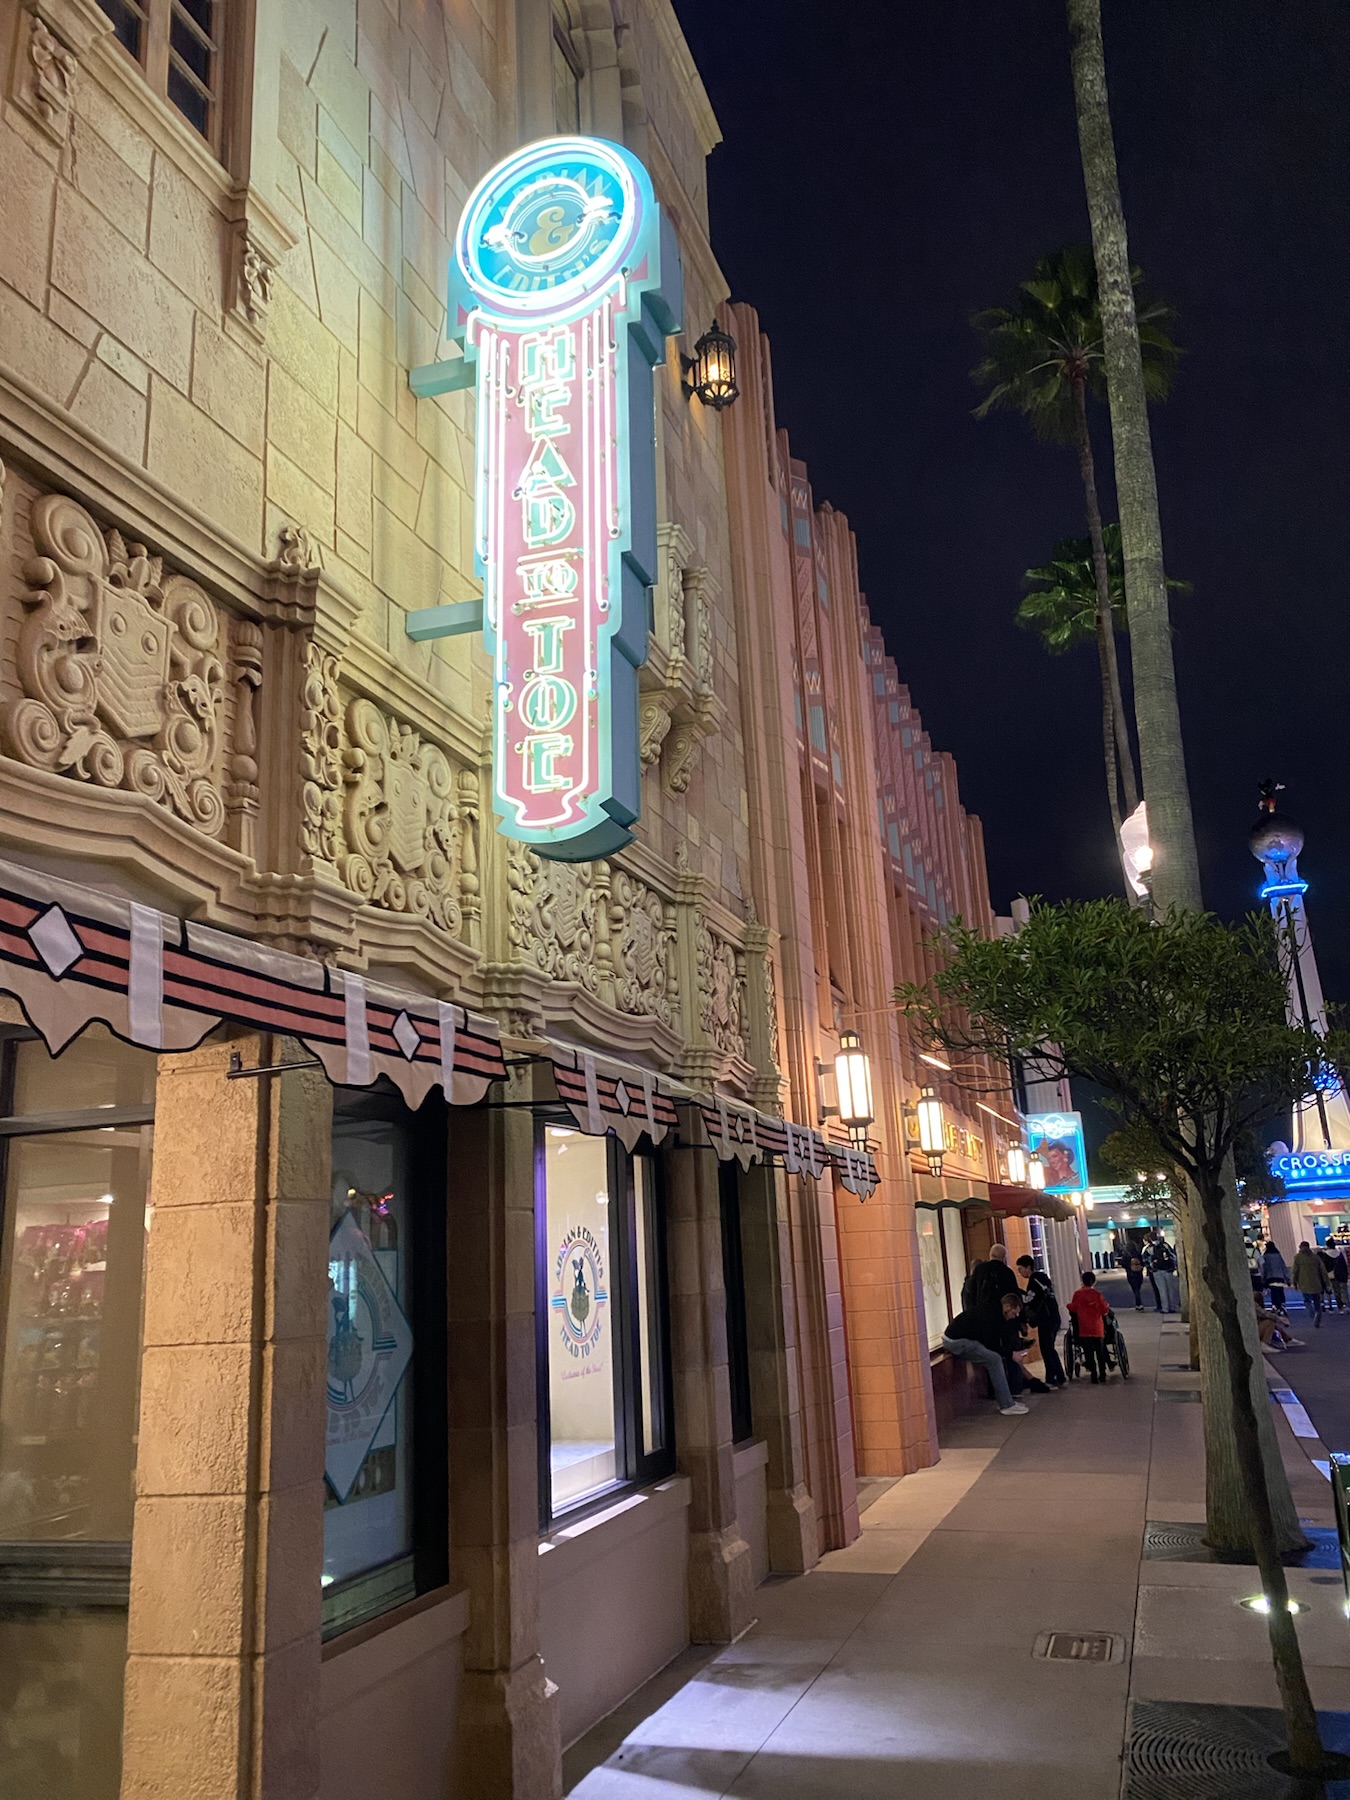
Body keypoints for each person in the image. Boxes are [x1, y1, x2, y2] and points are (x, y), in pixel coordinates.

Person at [941, 1292, 1030, 1416]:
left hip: (960, 1339)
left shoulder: (996, 1312)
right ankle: (1006, 1405)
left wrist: (1010, 1351)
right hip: (956, 1342)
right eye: (1014, 1313)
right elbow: (991, 1344)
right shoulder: (991, 1315)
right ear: (1007, 1307)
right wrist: (1011, 1354)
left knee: (994, 1358)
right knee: (994, 1359)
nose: (1015, 1316)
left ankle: (1006, 1400)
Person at [1015, 1254, 1066, 1387]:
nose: (1020, 1273)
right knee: (1049, 1348)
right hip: (1052, 1317)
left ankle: (1054, 1377)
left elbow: (1031, 1299)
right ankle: (1056, 1376)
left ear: (1028, 1267)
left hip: (1046, 1319)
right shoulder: (1042, 1278)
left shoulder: (1035, 1280)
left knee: (1047, 1348)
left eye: (1021, 1269)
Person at [1068, 1269, 1112, 1382]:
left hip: (1084, 1327)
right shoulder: (1097, 1295)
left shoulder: (1078, 1294)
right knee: (1100, 1351)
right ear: (1094, 1282)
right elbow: (1104, 1310)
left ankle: (1093, 1374)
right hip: (1097, 1327)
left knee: (1088, 1352)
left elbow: (1073, 1308)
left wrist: (1069, 1306)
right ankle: (1103, 1374)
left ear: (1082, 1281)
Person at [961, 1241, 1019, 1312]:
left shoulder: (980, 1269)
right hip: (1001, 1313)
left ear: (990, 1255)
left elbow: (970, 1291)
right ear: (1004, 1258)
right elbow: (1014, 1295)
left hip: (981, 1311)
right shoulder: (1008, 1272)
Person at [1292, 1239, 1329, 1329]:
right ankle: (1318, 1313)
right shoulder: (1315, 1257)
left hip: (1304, 1283)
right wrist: (1326, 1282)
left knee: (1307, 1301)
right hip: (1316, 1282)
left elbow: (1295, 1271)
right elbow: (1323, 1271)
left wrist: (1294, 1282)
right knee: (1317, 1300)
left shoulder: (1298, 1257)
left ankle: (1312, 1314)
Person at [1148, 1234, 1181, 1314]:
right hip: (1168, 1270)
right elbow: (1173, 1256)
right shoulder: (1165, 1246)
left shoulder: (1150, 1248)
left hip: (1158, 1271)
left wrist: (1152, 1268)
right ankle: (1172, 1307)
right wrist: (1172, 1267)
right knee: (1170, 1290)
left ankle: (1165, 1308)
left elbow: (1146, 1259)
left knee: (1162, 1290)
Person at [1262, 1240, 1289, 1313]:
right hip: (1280, 1277)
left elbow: (1264, 1268)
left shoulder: (1265, 1256)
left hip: (1270, 1277)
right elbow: (1283, 1266)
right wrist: (1287, 1278)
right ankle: (1282, 1305)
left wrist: (1263, 1279)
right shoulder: (1278, 1255)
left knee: (1273, 1292)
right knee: (1280, 1291)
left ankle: (1275, 1306)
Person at [1333, 1245, 1349, 1313]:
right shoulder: (1340, 1254)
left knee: (1337, 1292)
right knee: (1344, 1291)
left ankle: (1340, 1307)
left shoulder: (1326, 1255)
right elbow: (1345, 1265)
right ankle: (1346, 1305)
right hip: (1342, 1275)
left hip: (1333, 1276)